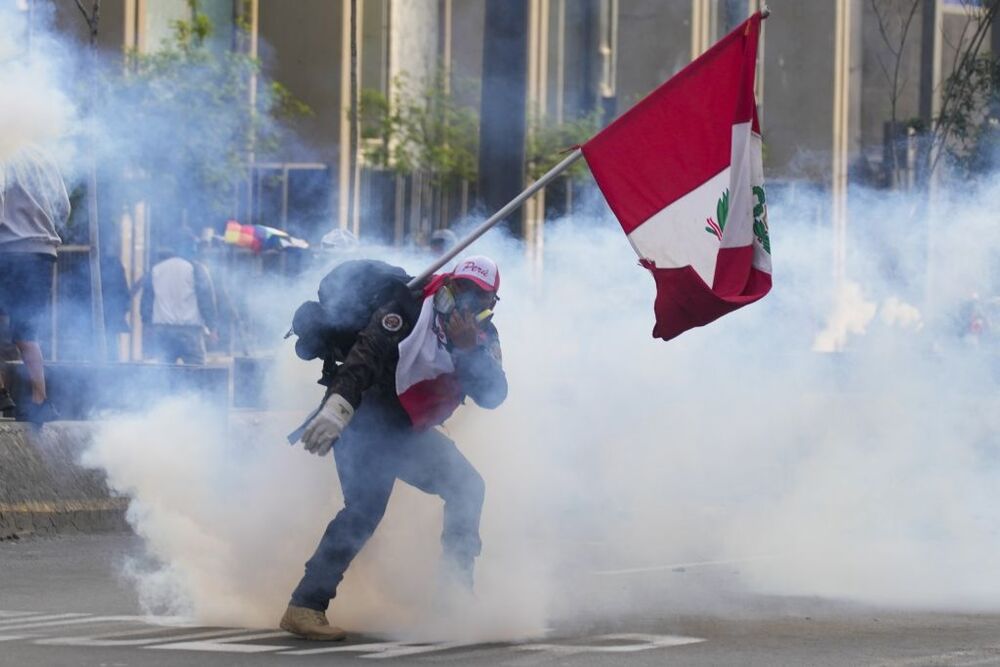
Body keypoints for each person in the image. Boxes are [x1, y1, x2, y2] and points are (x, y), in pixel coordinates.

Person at [280, 255, 507, 641]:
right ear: (448, 286)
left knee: (467, 488)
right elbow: (365, 354)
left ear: (488, 308)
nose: (462, 306)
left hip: (405, 430)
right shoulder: (409, 305)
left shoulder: (484, 338)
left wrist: (468, 351)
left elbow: (494, 394)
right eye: (459, 291)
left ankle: (454, 595)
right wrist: (339, 406)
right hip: (364, 415)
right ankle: (305, 606)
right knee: (365, 510)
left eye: (477, 300)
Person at [0, 146, 69, 424]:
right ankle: (40, 401)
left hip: (7, 250)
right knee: (27, 332)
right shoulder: (46, 158)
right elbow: (63, 207)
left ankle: (3, 395)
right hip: (43, 252)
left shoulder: (5, 154)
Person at [140, 237, 218, 365]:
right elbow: (206, 301)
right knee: (195, 374)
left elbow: (146, 301)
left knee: (165, 376)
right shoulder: (197, 269)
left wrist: (147, 326)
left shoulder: (156, 269)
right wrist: (212, 327)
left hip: (163, 332)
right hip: (190, 333)